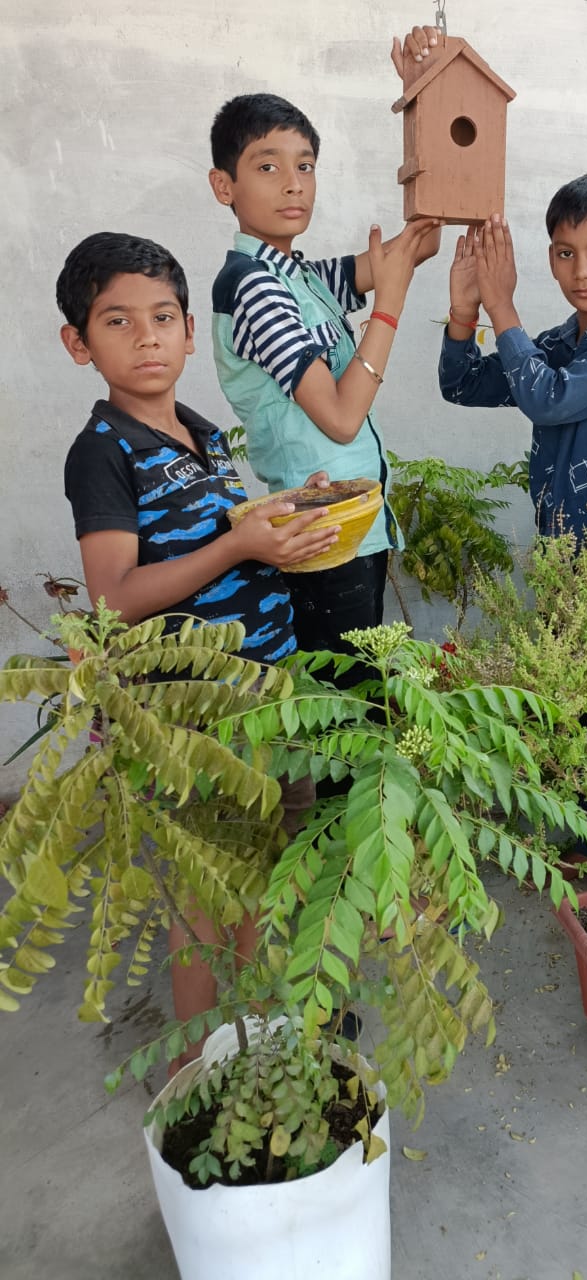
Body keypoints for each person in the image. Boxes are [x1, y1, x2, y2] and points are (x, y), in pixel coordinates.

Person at [57, 231, 335, 1052]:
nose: (146, 337)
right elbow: (114, 598)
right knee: (206, 895)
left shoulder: (200, 431)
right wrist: (239, 544)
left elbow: (230, 531)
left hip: (268, 697)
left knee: (267, 874)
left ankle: (254, 1040)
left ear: (187, 332)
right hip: (192, 718)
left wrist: (289, 512)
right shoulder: (103, 453)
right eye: (118, 321)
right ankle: (195, 1065)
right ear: (79, 343)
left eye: (162, 317)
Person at [437, 173, 587, 871]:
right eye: (566, 254)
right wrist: (464, 311)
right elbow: (464, 384)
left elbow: (546, 398)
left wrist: (501, 304)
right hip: (566, 551)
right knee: (581, 699)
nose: (582, 271)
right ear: (550, 258)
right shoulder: (565, 339)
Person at [207, 39, 441, 676]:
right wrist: (388, 307)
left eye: (306, 166)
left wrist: (423, 98)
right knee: (341, 712)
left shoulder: (300, 275)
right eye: (268, 166)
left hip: (351, 529)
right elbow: (339, 418)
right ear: (224, 185)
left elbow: (418, 243)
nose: (293, 183)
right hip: (319, 539)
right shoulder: (252, 285)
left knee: (358, 701)